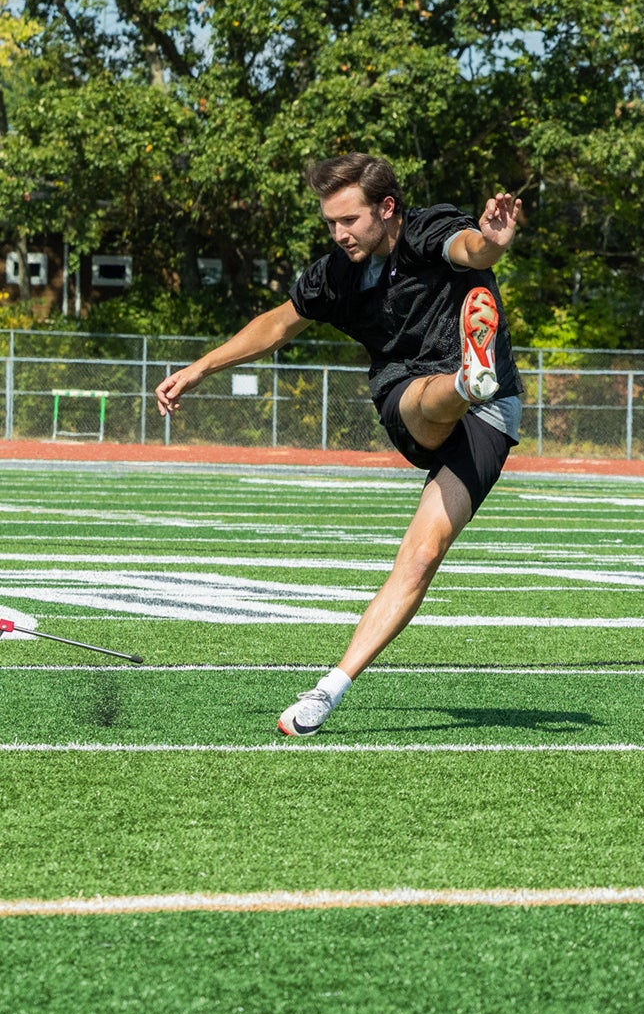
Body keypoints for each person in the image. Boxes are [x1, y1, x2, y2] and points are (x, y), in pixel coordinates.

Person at [155, 153, 524, 737]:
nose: (338, 233)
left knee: (424, 555)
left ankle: (327, 692)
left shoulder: (428, 230)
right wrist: (201, 368)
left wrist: (493, 244)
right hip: (410, 394)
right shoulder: (335, 274)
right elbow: (276, 325)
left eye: (348, 220)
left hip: (492, 411)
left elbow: (469, 250)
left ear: (386, 208)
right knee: (423, 401)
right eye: (330, 222)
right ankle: (462, 380)